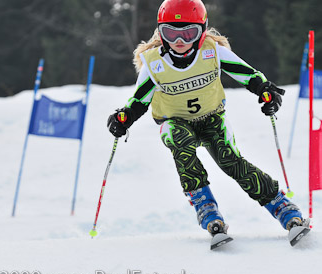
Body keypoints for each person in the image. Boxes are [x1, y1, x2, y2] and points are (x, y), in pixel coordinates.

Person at [107, 0, 307, 239]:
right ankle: (206, 207)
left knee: (230, 160)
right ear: (160, 33)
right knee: (180, 140)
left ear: (201, 32)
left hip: (212, 118)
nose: (179, 42)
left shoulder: (212, 51)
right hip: (174, 122)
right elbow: (138, 101)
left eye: (188, 33)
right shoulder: (154, 63)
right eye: (170, 34)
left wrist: (265, 91)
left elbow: (248, 75)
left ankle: (282, 206)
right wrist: (123, 118)